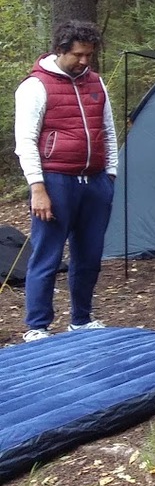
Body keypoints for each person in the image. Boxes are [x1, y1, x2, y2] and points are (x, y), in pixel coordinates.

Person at [13, 20, 118, 342]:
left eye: (89, 55)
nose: (85, 61)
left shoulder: (96, 83)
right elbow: (26, 140)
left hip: (96, 180)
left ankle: (82, 320)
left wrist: (110, 174)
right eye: (78, 55)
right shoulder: (35, 86)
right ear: (61, 50)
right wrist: (38, 188)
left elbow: (109, 131)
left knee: (90, 255)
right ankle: (38, 327)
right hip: (55, 180)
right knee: (48, 254)